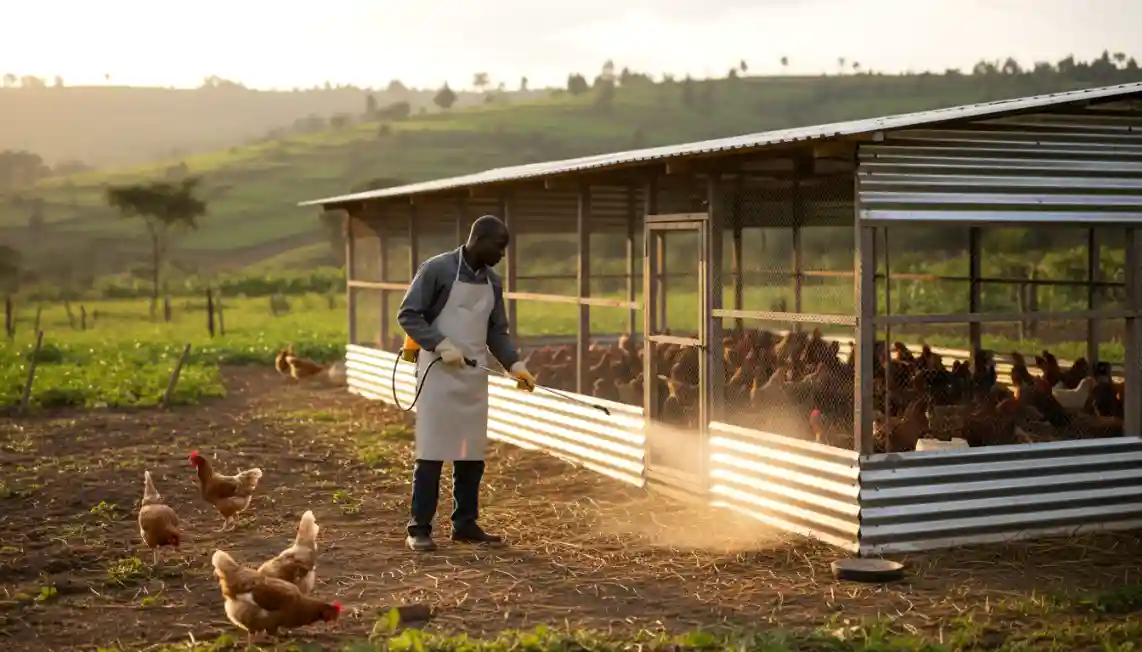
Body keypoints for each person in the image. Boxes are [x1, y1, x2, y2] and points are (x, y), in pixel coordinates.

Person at [396, 214, 536, 552]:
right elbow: (409, 314)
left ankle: (465, 524)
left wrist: (514, 365)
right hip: (437, 373)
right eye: (499, 247)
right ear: (480, 239)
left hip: (472, 375)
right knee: (432, 450)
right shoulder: (437, 269)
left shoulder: (494, 282)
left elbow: (496, 331)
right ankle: (419, 528)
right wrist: (440, 344)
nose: (503, 254)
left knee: (470, 452)